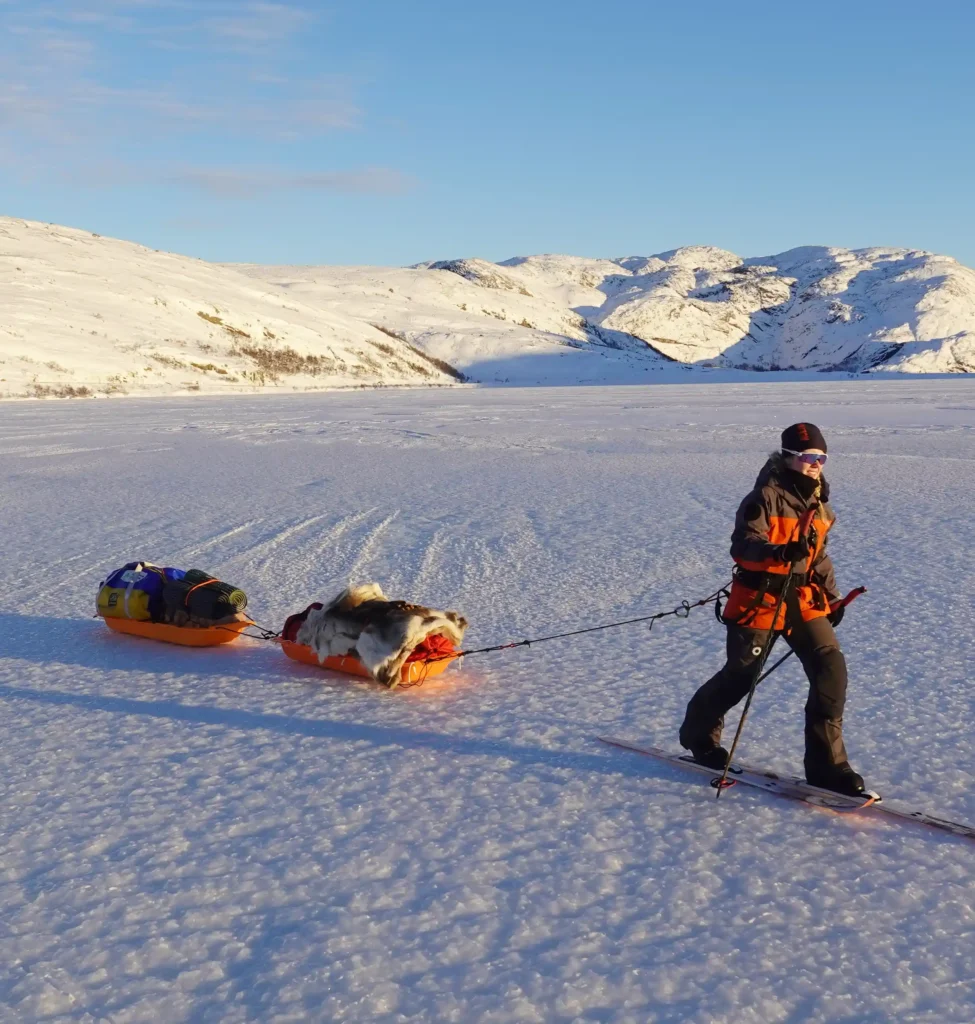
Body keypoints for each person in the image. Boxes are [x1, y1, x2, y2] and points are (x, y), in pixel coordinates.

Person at [678, 422, 867, 797]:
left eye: (821, 458)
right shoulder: (763, 497)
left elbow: (819, 557)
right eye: (807, 457)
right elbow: (743, 546)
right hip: (760, 601)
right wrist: (777, 553)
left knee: (830, 669)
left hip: (802, 601)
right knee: (741, 677)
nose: (815, 464)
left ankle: (827, 767)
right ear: (788, 458)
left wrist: (831, 598)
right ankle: (699, 736)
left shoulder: (820, 503)